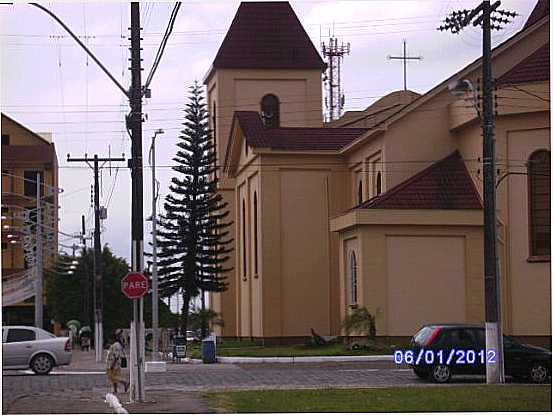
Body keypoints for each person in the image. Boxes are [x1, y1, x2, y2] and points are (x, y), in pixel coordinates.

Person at [106, 329, 129, 394]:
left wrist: (112, 365)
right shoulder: (117, 345)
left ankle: (125, 382)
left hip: (113, 363)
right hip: (114, 363)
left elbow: (116, 356)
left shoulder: (116, 345)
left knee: (112, 376)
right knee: (114, 376)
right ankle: (115, 389)